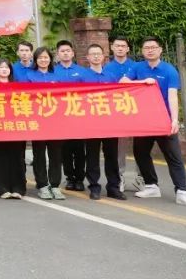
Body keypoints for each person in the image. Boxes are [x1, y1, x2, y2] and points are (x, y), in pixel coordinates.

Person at [122, 38, 186, 207]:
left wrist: (174, 119)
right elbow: (123, 82)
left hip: (163, 119)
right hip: (144, 120)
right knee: (140, 153)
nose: (150, 50)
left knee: (173, 156)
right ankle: (151, 186)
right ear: (142, 51)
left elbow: (172, 96)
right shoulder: (137, 67)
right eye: (146, 48)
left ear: (160, 50)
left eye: (153, 47)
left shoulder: (169, 70)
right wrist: (142, 82)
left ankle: (182, 191)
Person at [81, 43, 124, 200]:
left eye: (98, 53)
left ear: (104, 56)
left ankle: (113, 187)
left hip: (109, 123)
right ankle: (94, 186)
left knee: (112, 155)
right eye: (93, 54)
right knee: (92, 156)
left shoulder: (111, 76)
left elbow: (120, 96)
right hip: (91, 123)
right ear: (88, 57)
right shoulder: (82, 77)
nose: (96, 56)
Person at [27, 47, 65, 200]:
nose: (43, 60)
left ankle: (55, 185)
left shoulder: (57, 76)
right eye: (40, 58)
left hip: (55, 121)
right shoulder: (29, 76)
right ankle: (42, 185)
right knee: (39, 154)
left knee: (56, 154)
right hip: (38, 121)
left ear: (50, 59)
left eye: (46, 57)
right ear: (35, 60)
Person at [104, 35, 138, 191]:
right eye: (117, 46)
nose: (120, 48)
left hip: (135, 109)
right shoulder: (107, 68)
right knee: (120, 146)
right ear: (112, 47)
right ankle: (120, 176)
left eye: (123, 46)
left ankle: (141, 177)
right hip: (117, 110)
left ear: (128, 49)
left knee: (141, 145)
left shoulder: (135, 66)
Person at [0, 60, 26, 199]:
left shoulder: (18, 87)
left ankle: (18, 188)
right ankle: (1, 188)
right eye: (1, 67)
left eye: (6, 67)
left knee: (17, 157)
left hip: (15, 127)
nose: (4, 69)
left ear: (10, 70)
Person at [54, 40, 87, 191]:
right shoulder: (53, 71)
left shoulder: (82, 71)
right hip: (60, 117)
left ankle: (80, 179)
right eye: (62, 51)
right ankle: (69, 178)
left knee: (79, 150)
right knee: (65, 151)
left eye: (68, 50)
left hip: (78, 116)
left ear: (73, 53)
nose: (65, 53)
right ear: (58, 54)